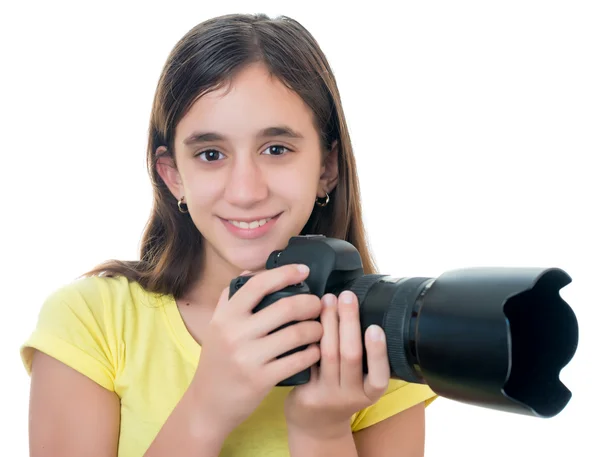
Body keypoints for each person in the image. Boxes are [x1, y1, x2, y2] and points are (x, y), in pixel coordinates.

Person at [21, 13, 437, 457]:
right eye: (211, 154)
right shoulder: (92, 322)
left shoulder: (376, 343)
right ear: (173, 175)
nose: (245, 191)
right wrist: (207, 407)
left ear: (327, 168)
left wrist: (321, 430)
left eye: (276, 149)